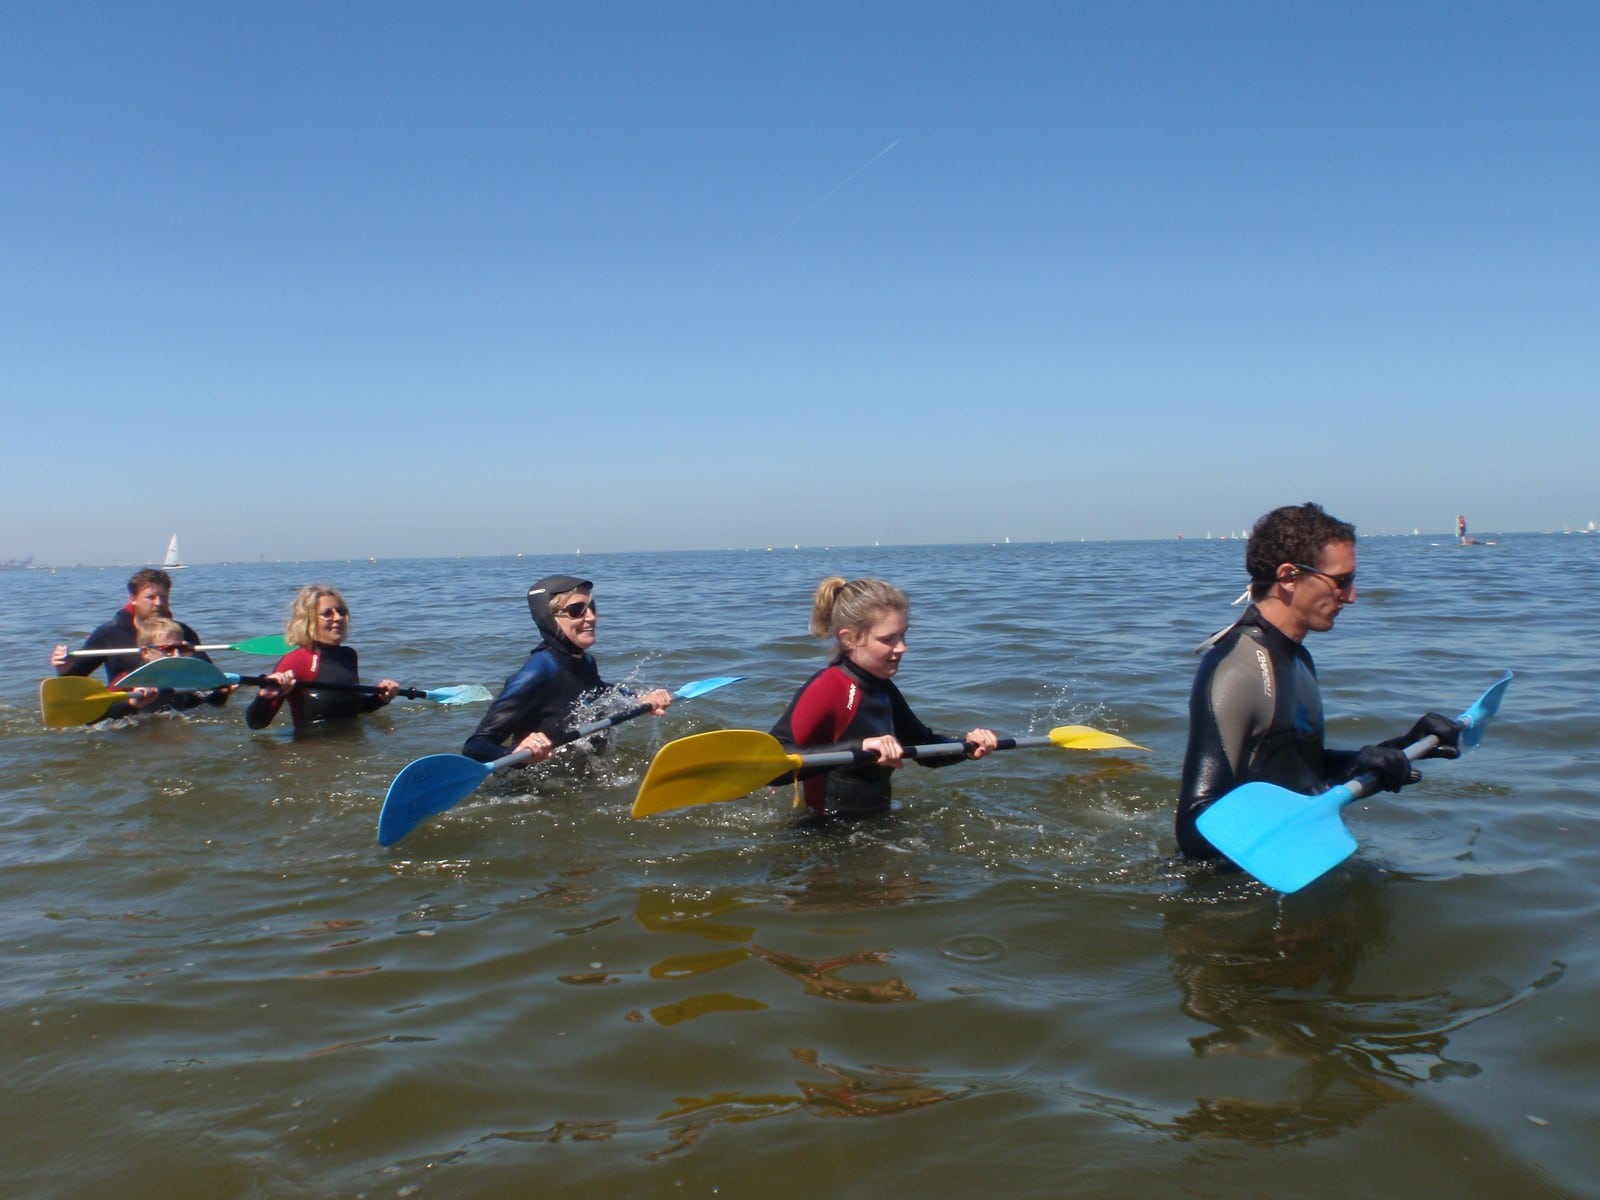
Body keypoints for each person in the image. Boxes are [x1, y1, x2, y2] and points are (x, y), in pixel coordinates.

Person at [1177, 501, 1463, 862]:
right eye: (1341, 582)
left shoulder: (1298, 658)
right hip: (1231, 896)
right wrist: (1325, 792)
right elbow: (1193, 830)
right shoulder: (1237, 669)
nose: (1352, 597)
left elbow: (1298, 770)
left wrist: (1401, 748)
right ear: (1288, 577)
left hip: (1290, 864)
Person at [769, 576, 999, 820]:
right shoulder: (828, 687)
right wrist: (860, 747)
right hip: (827, 834)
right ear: (849, 638)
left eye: (903, 636)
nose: (902, 648)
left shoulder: (883, 688)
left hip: (877, 823)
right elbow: (773, 764)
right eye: (888, 639)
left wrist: (967, 747)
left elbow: (923, 745)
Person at [463, 575, 672, 764]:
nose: (591, 617)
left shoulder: (585, 661)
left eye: (593, 607)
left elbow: (599, 691)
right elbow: (476, 746)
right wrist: (514, 755)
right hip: (535, 792)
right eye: (577, 610)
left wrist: (640, 699)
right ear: (549, 618)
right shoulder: (538, 672)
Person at [246, 585, 401, 730]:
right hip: (312, 751)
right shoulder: (297, 660)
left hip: (353, 747)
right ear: (309, 621)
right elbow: (256, 724)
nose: (338, 618)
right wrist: (264, 698)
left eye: (341, 612)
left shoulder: (348, 655)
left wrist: (381, 698)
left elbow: (351, 707)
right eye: (327, 613)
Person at [50, 567, 210, 684]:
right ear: (133, 598)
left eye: (163, 597)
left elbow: (210, 678)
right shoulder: (109, 633)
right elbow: (75, 678)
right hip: (131, 714)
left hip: (180, 710)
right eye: (151, 597)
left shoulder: (183, 632)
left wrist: (221, 693)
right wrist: (64, 669)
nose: (159, 603)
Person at [96, 617, 234, 722]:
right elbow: (95, 720)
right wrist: (131, 705)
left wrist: (221, 695)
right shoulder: (126, 682)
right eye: (168, 649)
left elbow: (197, 708)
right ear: (146, 653)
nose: (177, 655)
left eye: (181, 648)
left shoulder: (184, 679)